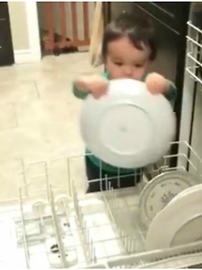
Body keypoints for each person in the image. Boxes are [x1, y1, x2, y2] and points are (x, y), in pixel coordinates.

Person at [72, 12, 177, 193]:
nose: (128, 71)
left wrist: (164, 85)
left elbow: (171, 94)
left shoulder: (147, 86)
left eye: (137, 65)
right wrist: (85, 82)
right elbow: (77, 89)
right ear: (105, 59)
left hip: (134, 158)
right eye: (118, 63)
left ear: (149, 62)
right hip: (99, 158)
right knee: (99, 194)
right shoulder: (102, 86)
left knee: (128, 194)